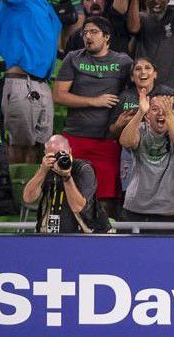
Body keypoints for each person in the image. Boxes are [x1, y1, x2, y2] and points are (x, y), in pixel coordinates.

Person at [54, 16, 133, 214]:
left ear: (107, 37)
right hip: (76, 137)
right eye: (85, 32)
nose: (87, 36)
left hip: (107, 141)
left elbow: (139, 86)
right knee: (72, 195)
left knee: (106, 199)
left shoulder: (123, 62)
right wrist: (94, 101)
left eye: (93, 32)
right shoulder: (73, 58)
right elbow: (58, 95)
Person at [0, 0, 61, 163]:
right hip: (21, 82)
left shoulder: (44, 3)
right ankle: (15, 198)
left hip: (43, 85)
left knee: (41, 151)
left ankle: (30, 199)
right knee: (19, 149)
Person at [118, 91, 174, 222]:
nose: (161, 113)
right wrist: (140, 112)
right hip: (135, 209)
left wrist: (170, 115)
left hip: (170, 211)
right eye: (155, 109)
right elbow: (125, 141)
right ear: (148, 116)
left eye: (165, 109)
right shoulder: (140, 129)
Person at [23, 135, 109, 234]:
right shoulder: (45, 169)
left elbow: (78, 207)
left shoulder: (83, 169)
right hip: (50, 234)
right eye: (53, 156)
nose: (58, 159)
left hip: (84, 235)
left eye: (61, 154)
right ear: (45, 154)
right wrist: (42, 171)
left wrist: (67, 177)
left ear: (70, 152)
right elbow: (28, 198)